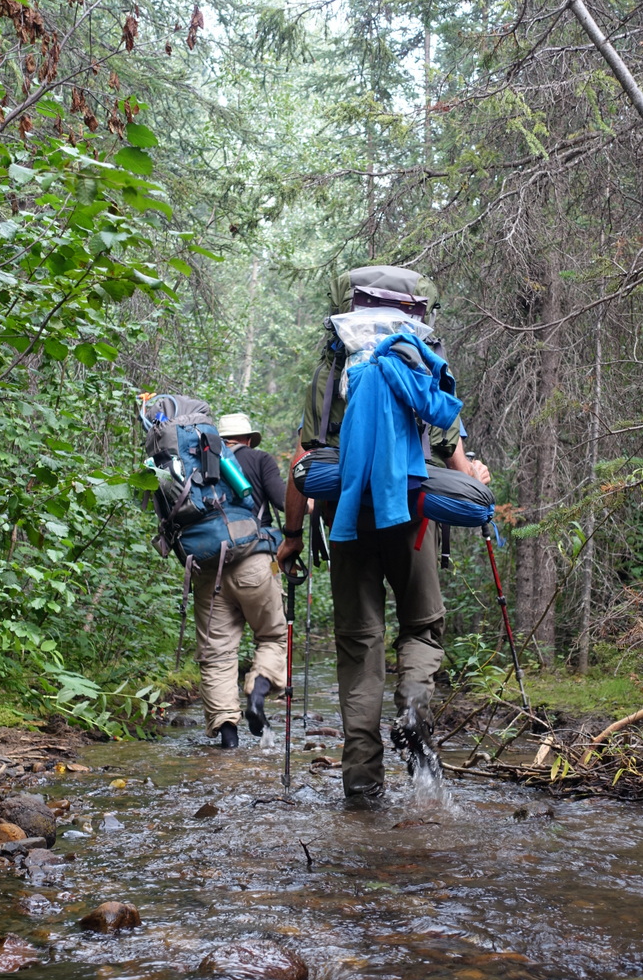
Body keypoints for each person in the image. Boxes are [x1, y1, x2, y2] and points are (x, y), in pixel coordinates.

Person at [277, 286, 490, 801]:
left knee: (358, 644)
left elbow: (302, 463)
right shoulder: (422, 361)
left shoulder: (334, 366)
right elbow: (459, 465)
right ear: (416, 315)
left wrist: (289, 538)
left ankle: (362, 785)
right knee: (421, 626)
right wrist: (476, 478)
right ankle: (414, 704)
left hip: (346, 519)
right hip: (413, 519)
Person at [192, 412, 288, 749]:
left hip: (207, 569)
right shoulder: (260, 459)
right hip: (254, 563)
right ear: (248, 437)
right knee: (273, 636)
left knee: (217, 655)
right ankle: (257, 694)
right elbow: (283, 501)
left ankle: (228, 740)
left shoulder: (197, 461)